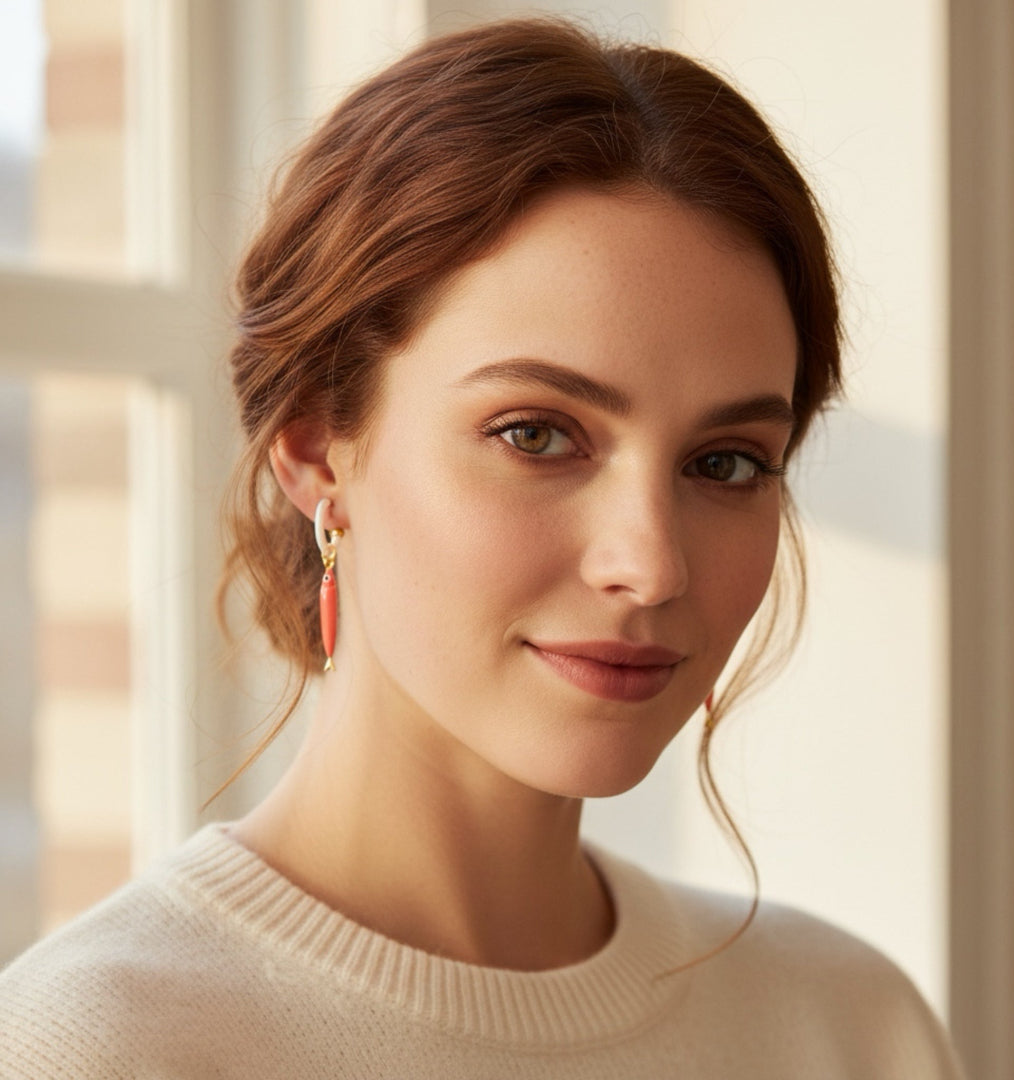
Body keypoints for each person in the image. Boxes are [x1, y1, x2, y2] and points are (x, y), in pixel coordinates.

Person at [0, 17, 965, 1078]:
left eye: (726, 462)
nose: (650, 566)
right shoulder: (88, 1050)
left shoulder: (850, 1029)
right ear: (319, 446)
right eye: (537, 434)